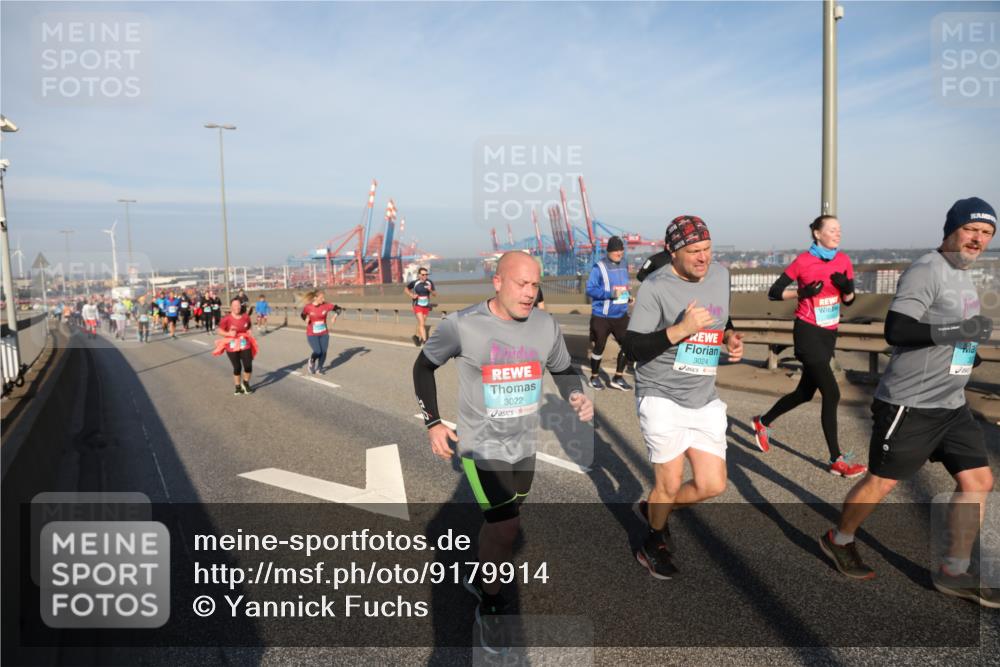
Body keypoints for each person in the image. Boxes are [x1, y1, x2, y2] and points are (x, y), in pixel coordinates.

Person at [819, 197, 997, 607]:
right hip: (910, 402)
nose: (978, 239)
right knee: (882, 482)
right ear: (951, 228)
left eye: (987, 234)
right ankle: (839, 538)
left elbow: (954, 331)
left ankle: (953, 571)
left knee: (978, 481)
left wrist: (969, 347)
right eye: (972, 229)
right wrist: (959, 329)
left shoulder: (964, 276)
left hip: (950, 403)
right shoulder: (926, 270)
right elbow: (898, 329)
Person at [412, 251, 593, 654]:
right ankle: (491, 605)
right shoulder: (462, 326)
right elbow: (422, 367)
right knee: (507, 527)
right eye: (520, 284)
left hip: (523, 446)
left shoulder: (546, 325)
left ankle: (481, 570)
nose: (529, 293)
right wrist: (433, 423)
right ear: (497, 282)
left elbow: (563, 369)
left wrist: (577, 393)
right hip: (481, 446)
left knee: (503, 524)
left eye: (535, 285)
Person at [622, 215, 744, 579]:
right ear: (672, 252)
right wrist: (680, 329)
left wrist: (729, 337)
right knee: (670, 482)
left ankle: (655, 508)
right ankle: (653, 541)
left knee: (713, 484)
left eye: (707, 249)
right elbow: (633, 347)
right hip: (662, 394)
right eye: (693, 251)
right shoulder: (655, 288)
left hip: (703, 395)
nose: (703, 258)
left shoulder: (721, 275)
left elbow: (722, 316)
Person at [750, 215, 867, 478]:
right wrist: (801, 293)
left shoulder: (844, 260)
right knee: (832, 393)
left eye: (840, 229)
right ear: (817, 233)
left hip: (829, 334)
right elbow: (774, 291)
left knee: (804, 392)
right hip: (807, 333)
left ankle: (762, 421)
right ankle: (836, 460)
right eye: (832, 229)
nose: (838, 233)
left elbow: (848, 300)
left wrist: (847, 289)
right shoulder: (803, 261)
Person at [585, 236, 633, 391]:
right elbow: (590, 289)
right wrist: (610, 294)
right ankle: (594, 377)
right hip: (602, 315)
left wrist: (628, 296)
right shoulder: (598, 267)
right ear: (608, 251)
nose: (619, 253)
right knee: (599, 347)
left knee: (628, 345)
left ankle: (618, 377)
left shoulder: (625, 264)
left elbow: (623, 286)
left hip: (621, 314)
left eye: (621, 250)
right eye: (616, 251)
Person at [214, 297, 257, 395]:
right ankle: (238, 387)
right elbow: (219, 330)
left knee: (248, 365)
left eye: (238, 305)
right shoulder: (227, 318)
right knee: (237, 367)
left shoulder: (245, 316)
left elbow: (249, 326)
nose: (237, 307)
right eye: (235, 306)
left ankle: (245, 383)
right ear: (231, 307)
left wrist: (249, 331)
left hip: (244, 343)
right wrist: (229, 334)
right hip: (232, 344)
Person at [300, 290, 341, 374]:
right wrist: (306, 319)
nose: (323, 299)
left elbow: (339, 309)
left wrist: (334, 316)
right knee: (318, 351)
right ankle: (311, 361)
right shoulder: (308, 307)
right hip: (312, 334)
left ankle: (320, 368)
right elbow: (303, 314)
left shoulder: (326, 305)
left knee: (324, 351)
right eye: (321, 297)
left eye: (324, 297)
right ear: (315, 298)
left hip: (324, 333)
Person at [405, 268, 436, 347]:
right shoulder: (415, 283)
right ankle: (425, 342)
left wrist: (431, 290)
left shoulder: (429, 282)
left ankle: (416, 336)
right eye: (423, 274)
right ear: (419, 275)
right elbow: (406, 289)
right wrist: (411, 295)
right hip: (417, 305)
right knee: (422, 323)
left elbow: (435, 294)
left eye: (426, 274)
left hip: (426, 306)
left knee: (421, 323)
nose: (425, 276)